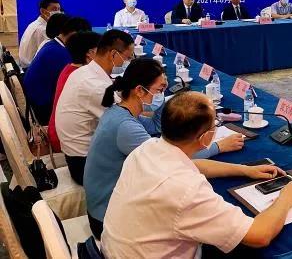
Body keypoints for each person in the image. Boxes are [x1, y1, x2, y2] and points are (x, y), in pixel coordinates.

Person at [101, 92, 292, 258]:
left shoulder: (147, 148)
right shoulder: (186, 190)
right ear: (205, 138)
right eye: (215, 124)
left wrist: (244, 169)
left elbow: (194, 165)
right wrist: (286, 199)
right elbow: (259, 236)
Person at [84, 59, 245, 239]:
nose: (162, 94)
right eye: (159, 90)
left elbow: (156, 126)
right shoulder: (125, 126)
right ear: (139, 90)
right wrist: (218, 146)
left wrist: (163, 97)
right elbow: (177, 158)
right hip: (105, 217)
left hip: (106, 206)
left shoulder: (120, 111)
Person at [56, 29, 134, 185]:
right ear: (113, 54)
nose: (128, 62)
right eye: (128, 58)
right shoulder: (94, 86)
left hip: (78, 154)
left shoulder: (83, 71)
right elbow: (128, 118)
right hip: (85, 165)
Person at [23, 17, 91, 124]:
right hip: (44, 108)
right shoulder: (60, 54)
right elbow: (79, 85)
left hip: (37, 101)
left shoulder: (52, 45)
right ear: (74, 35)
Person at [49, 31, 101, 153]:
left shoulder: (70, 69)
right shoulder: (83, 78)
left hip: (61, 133)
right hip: (67, 143)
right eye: (103, 50)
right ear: (90, 53)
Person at [18, 0, 62, 68]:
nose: (58, 12)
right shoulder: (43, 30)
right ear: (43, 11)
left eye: (59, 9)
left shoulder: (34, 24)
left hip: (25, 65)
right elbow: (49, 55)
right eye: (54, 9)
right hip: (30, 67)